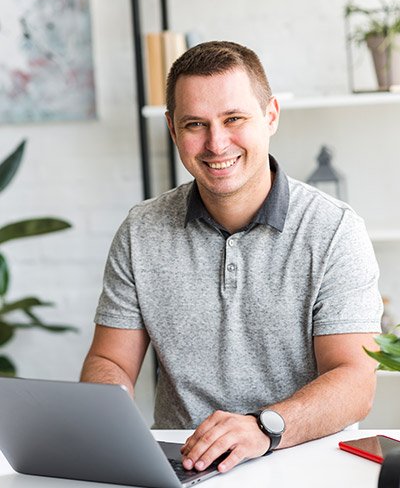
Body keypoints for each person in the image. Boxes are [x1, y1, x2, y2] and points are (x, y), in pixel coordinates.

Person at [81, 40, 382, 474]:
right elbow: (110, 361)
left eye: (233, 119)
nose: (216, 143)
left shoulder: (335, 230)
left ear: (270, 116)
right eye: (195, 124)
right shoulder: (141, 231)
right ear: (173, 130)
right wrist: (109, 422)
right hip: (185, 465)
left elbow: (355, 380)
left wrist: (263, 427)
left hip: (306, 462)